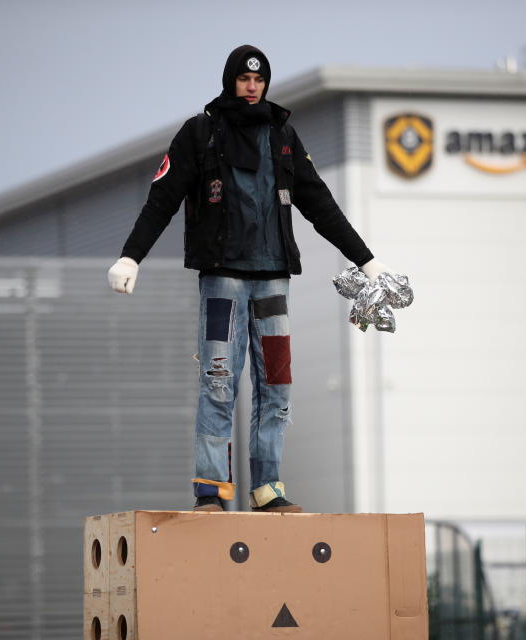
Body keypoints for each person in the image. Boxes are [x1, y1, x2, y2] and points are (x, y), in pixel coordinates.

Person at [108, 44, 391, 512]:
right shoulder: (201, 133)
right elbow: (163, 198)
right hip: (224, 280)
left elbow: (319, 202)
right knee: (218, 380)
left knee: (277, 387)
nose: (252, 86)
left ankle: (268, 491)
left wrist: (367, 261)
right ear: (230, 81)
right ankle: (212, 492)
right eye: (244, 79)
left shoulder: (282, 135)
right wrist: (130, 256)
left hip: (272, 280)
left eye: (259, 80)